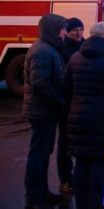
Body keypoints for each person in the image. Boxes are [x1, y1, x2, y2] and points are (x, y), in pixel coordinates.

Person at [63, 22, 104, 209]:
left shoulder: (75, 58)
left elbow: (66, 89)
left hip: (78, 120)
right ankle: (95, 205)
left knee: (81, 164)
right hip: (103, 122)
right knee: (99, 166)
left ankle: (81, 204)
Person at [22, 13, 67, 209]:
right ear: (53, 29)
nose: (65, 32)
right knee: (38, 154)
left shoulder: (49, 48)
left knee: (43, 153)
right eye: (63, 28)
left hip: (46, 111)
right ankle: (33, 198)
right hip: (42, 112)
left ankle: (42, 192)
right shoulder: (42, 50)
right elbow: (41, 85)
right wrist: (59, 103)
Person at [57, 17, 85, 194]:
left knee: (84, 140)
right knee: (65, 142)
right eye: (75, 29)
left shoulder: (86, 46)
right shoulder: (62, 49)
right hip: (68, 102)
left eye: (81, 29)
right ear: (68, 31)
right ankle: (66, 178)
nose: (78, 32)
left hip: (82, 101)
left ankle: (83, 174)